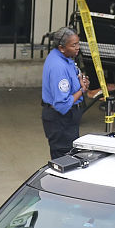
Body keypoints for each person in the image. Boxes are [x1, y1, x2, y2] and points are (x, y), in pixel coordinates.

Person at [41, 26, 89, 159]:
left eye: (78, 43)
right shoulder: (58, 67)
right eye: (74, 45)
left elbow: (73, 73)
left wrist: (80, 79)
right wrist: (82, 90)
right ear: (62, 47)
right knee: (64, 159)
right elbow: (62, 104)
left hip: (66, 120)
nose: (78, 47)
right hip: (61, 121)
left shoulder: (63, 56)